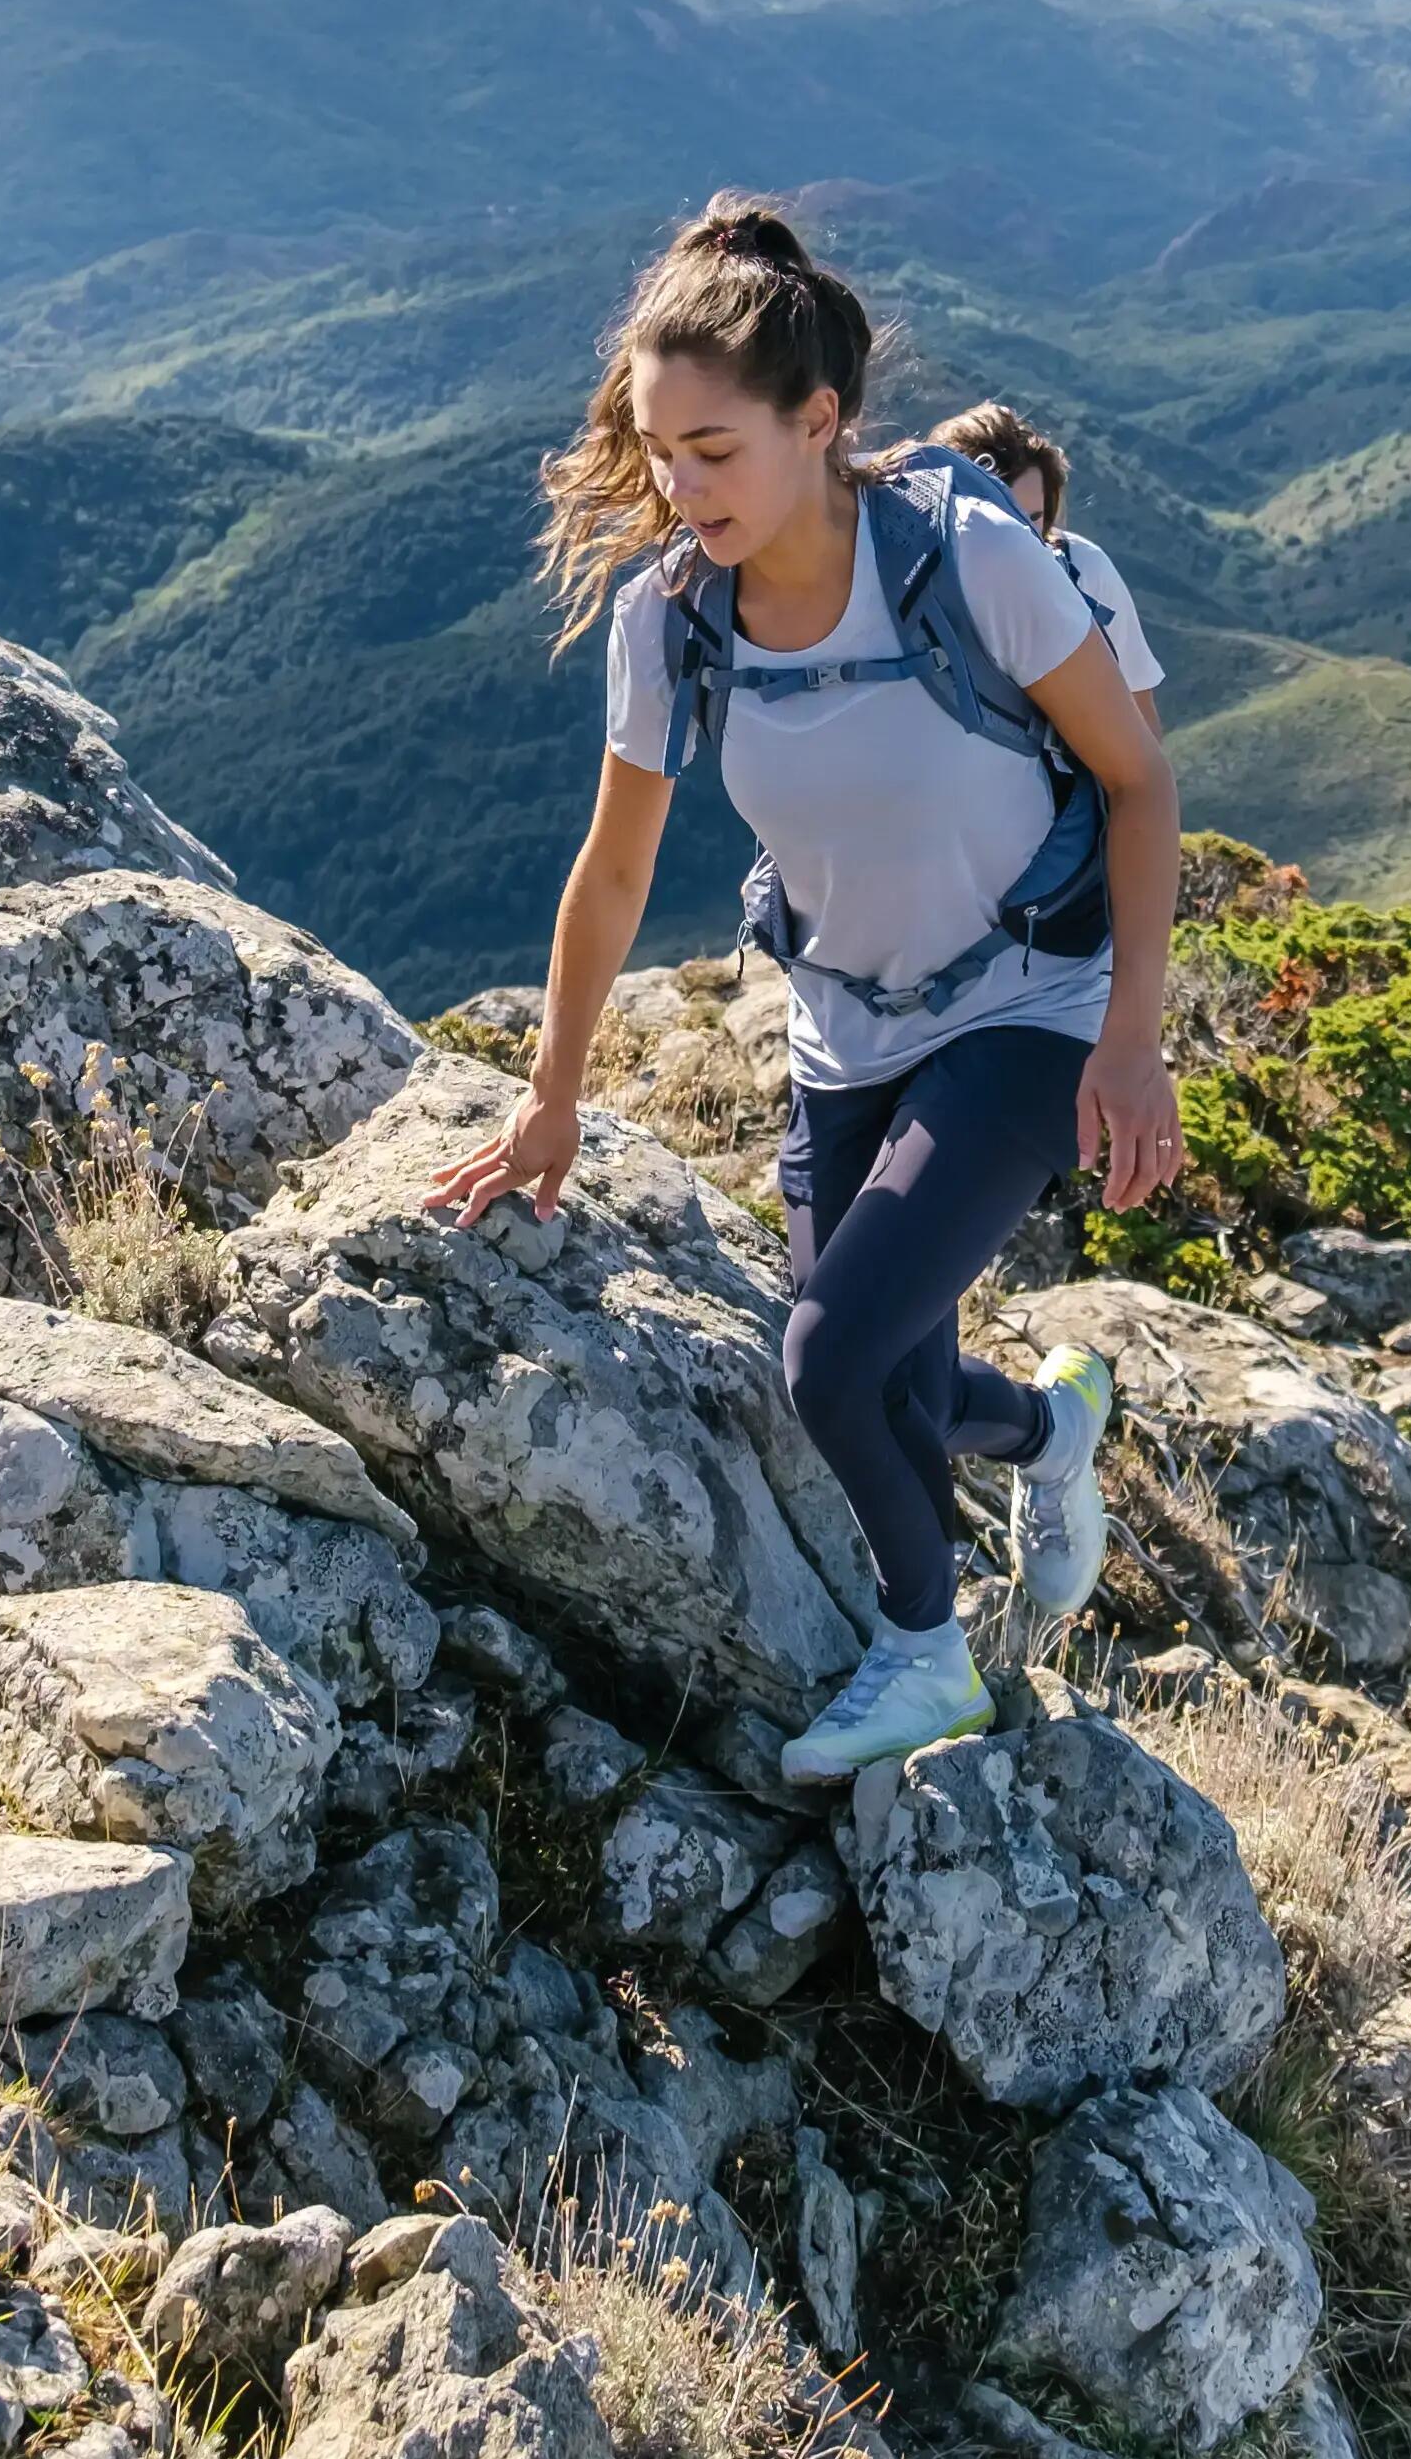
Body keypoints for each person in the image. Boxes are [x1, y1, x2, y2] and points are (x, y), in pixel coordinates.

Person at [426, 198, 1187, 1780]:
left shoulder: (968, 556)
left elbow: (1137, 783)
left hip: (1029, 1007)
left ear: (818, 420)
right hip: (845, 1028)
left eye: (712, 450)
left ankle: (926, 1654)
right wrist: (551, 1101)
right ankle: (1053, 1431)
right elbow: (614, 873)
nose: (675, 486)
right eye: (656, 450)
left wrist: (1131, 1043)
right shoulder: (673, 616)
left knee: (826, 1357)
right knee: (879, 1380)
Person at [930, 401, 1164, 722]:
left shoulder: (1084, 571)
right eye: (997, 521)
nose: (1020, 537)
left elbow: (1140, 718)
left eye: (1033, 518)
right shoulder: (902, 585)